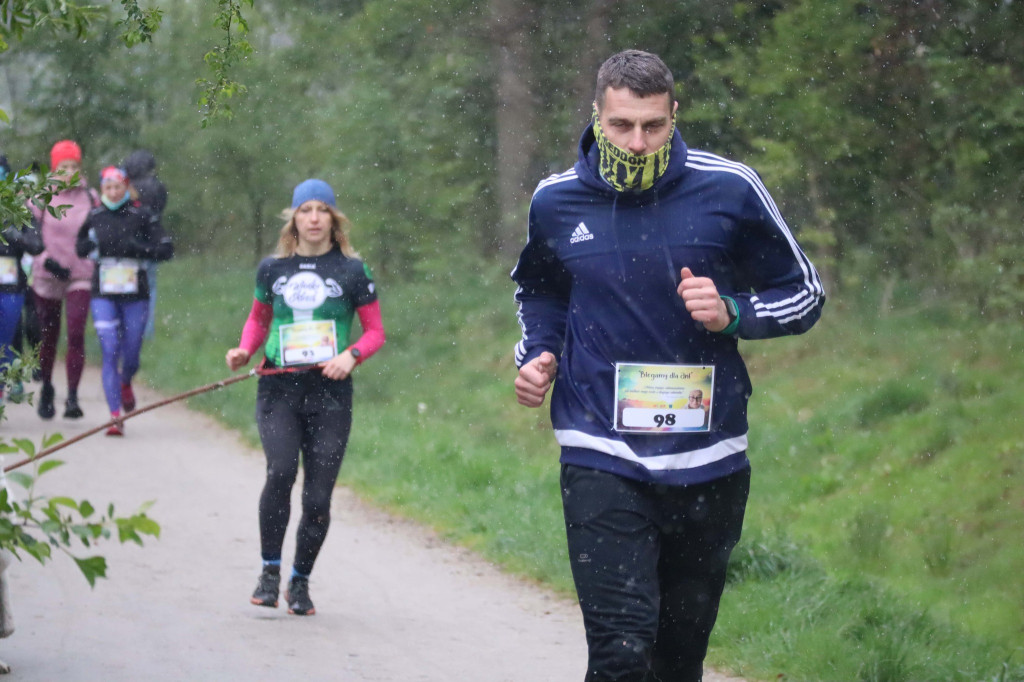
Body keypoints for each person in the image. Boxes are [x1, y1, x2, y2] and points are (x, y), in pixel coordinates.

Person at [511, 50, 824, 681]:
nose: (637, 141)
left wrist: (731, 312)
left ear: (674, 115)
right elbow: (541, 291)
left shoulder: (729, 188)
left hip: (706, 457)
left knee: (677, 661)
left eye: (653, 126)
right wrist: (539, 352)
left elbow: (805, 293)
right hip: (600, 446)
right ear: (597, 117)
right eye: (622, 125)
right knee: (621, 654)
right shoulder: (557, 201)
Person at [225, 179, 385, 616]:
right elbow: (258, 321)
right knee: (280, 472)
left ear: (334, 220)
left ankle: (300, 582)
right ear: (293, 219)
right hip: (278, 388)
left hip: (330, 394)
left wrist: (350, 357)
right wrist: (245, 350)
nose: (314, 218)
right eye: (305, 210)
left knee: (317, 497)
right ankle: (269, 572)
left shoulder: (353, 271)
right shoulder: (272, 270)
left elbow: (375, 333)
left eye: (322, 210)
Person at [75, 166, 173, 436]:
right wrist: (88, 249)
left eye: (118, 187)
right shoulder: (95, 216)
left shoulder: (141, 215)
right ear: (102, 189)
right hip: (103, 292)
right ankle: (114, 416)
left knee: (131, 352)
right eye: (107, 187)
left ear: (126, 188)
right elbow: (79, 245)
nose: (113, 192)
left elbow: (166, 248)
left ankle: (126, 381)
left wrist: (140, 249)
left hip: (135, 294)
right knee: (110, 349)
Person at [30, 140, 99, 420]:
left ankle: (72, 397)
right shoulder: (41, 197)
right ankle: (47, 388)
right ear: (54, 168)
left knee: (76, 334)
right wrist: (45, 258)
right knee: (48, 337)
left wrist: (91, 248)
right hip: (47, 273)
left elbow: (99, 232)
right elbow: (30, 233)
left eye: (74, 165)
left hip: (79, 275)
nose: (69, 171)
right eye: (63, 166)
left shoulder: (91, 197)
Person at [0, 155, 45, 401]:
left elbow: (37, 244)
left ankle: (11, 379)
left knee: (9, 335)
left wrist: (14, 236)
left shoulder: (20, 210)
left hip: (12, 285)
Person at [122, 150, 168, 339]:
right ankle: (146, 330)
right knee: (150, 286)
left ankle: (126, 327)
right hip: (151, 243)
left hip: (130, 243)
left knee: (125, 287)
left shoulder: (127, 187)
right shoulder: (158, 187)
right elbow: (160, 208)